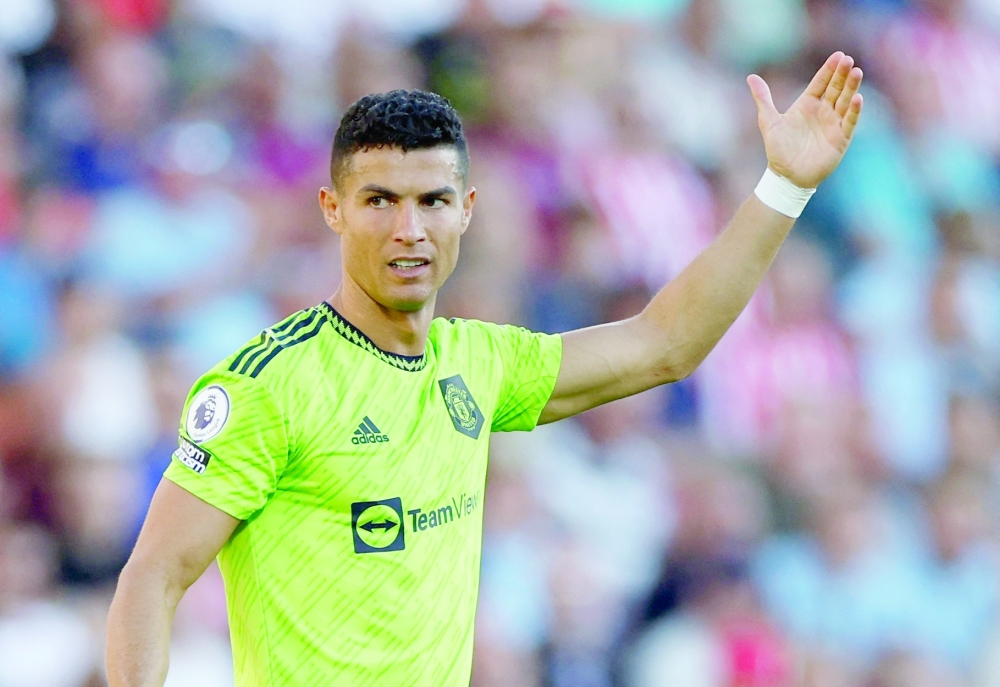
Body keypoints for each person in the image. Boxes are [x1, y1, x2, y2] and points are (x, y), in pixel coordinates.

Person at [105, 52, 864, 686]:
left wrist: (784, 186)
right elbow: (151, 578)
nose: (409, 229)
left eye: (432, 200)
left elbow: (666, 343)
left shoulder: (479, 361)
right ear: (332, 208)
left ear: (466, 208)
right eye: (379, 200)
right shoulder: (268, 384)